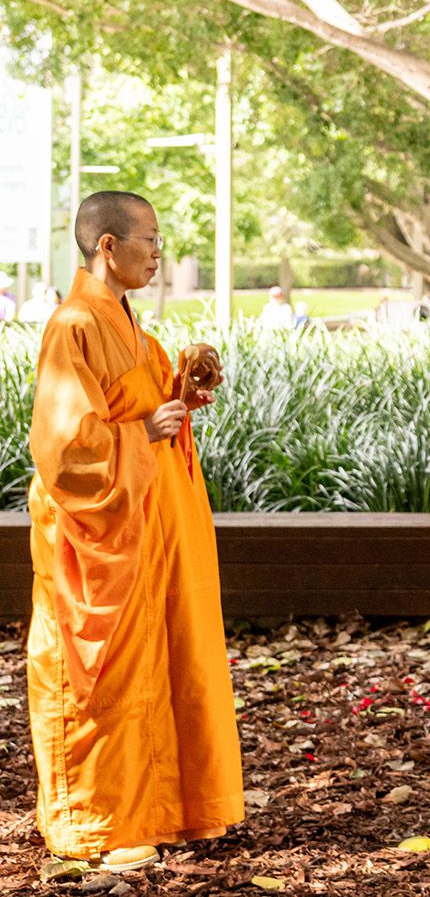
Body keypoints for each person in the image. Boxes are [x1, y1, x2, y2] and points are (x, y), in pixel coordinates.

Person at [27, 191, 243, 873]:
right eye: (150, 239)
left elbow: (145, 414)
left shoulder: (126, 324)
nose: (160, 252)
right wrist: (141, 432)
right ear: (108, 247)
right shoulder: (74, 325)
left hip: (151, 530)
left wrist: (180, 390)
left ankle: (168, 807)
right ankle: (105, 821)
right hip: (101, 542)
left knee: (169, 661)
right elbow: (65, 450)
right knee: (105, 674)